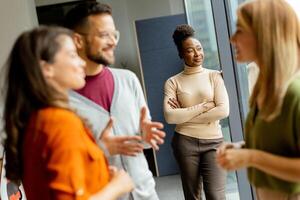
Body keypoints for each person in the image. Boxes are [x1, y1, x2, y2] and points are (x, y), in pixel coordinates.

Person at [2, 26, 134, 200]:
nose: (82, 63)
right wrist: (117, 187)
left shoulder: (39, 119)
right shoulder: (60, 122)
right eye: (72, 55)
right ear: (46, 68)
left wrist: (99, 149)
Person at [64, 2, 166, 200]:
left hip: (146, 193)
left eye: (115, 34)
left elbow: (141, 142)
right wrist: (99, 148)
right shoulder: (62, 101)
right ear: (78, 40)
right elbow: (65, 163)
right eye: (104, 35)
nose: (113, 42)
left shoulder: (128, 79)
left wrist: (145, 136)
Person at [216, 0, 300, 199]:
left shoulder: (294, 93)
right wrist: (242, 149)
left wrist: (251, 157)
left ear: (265, 34)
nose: (232, 38)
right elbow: (279, 146)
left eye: (240, 30)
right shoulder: (265, 88)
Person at [163, 24, 229, 200]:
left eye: (199, 48)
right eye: (190, 50)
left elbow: (223, 110)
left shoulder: (214, 76)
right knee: (193, 196)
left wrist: (184, 114)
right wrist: (204, 106)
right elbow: (170, 116)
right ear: (181, 54)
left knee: (216, 195)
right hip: (184, 142)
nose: (197, 53)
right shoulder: (173, 82)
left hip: (214, 143)